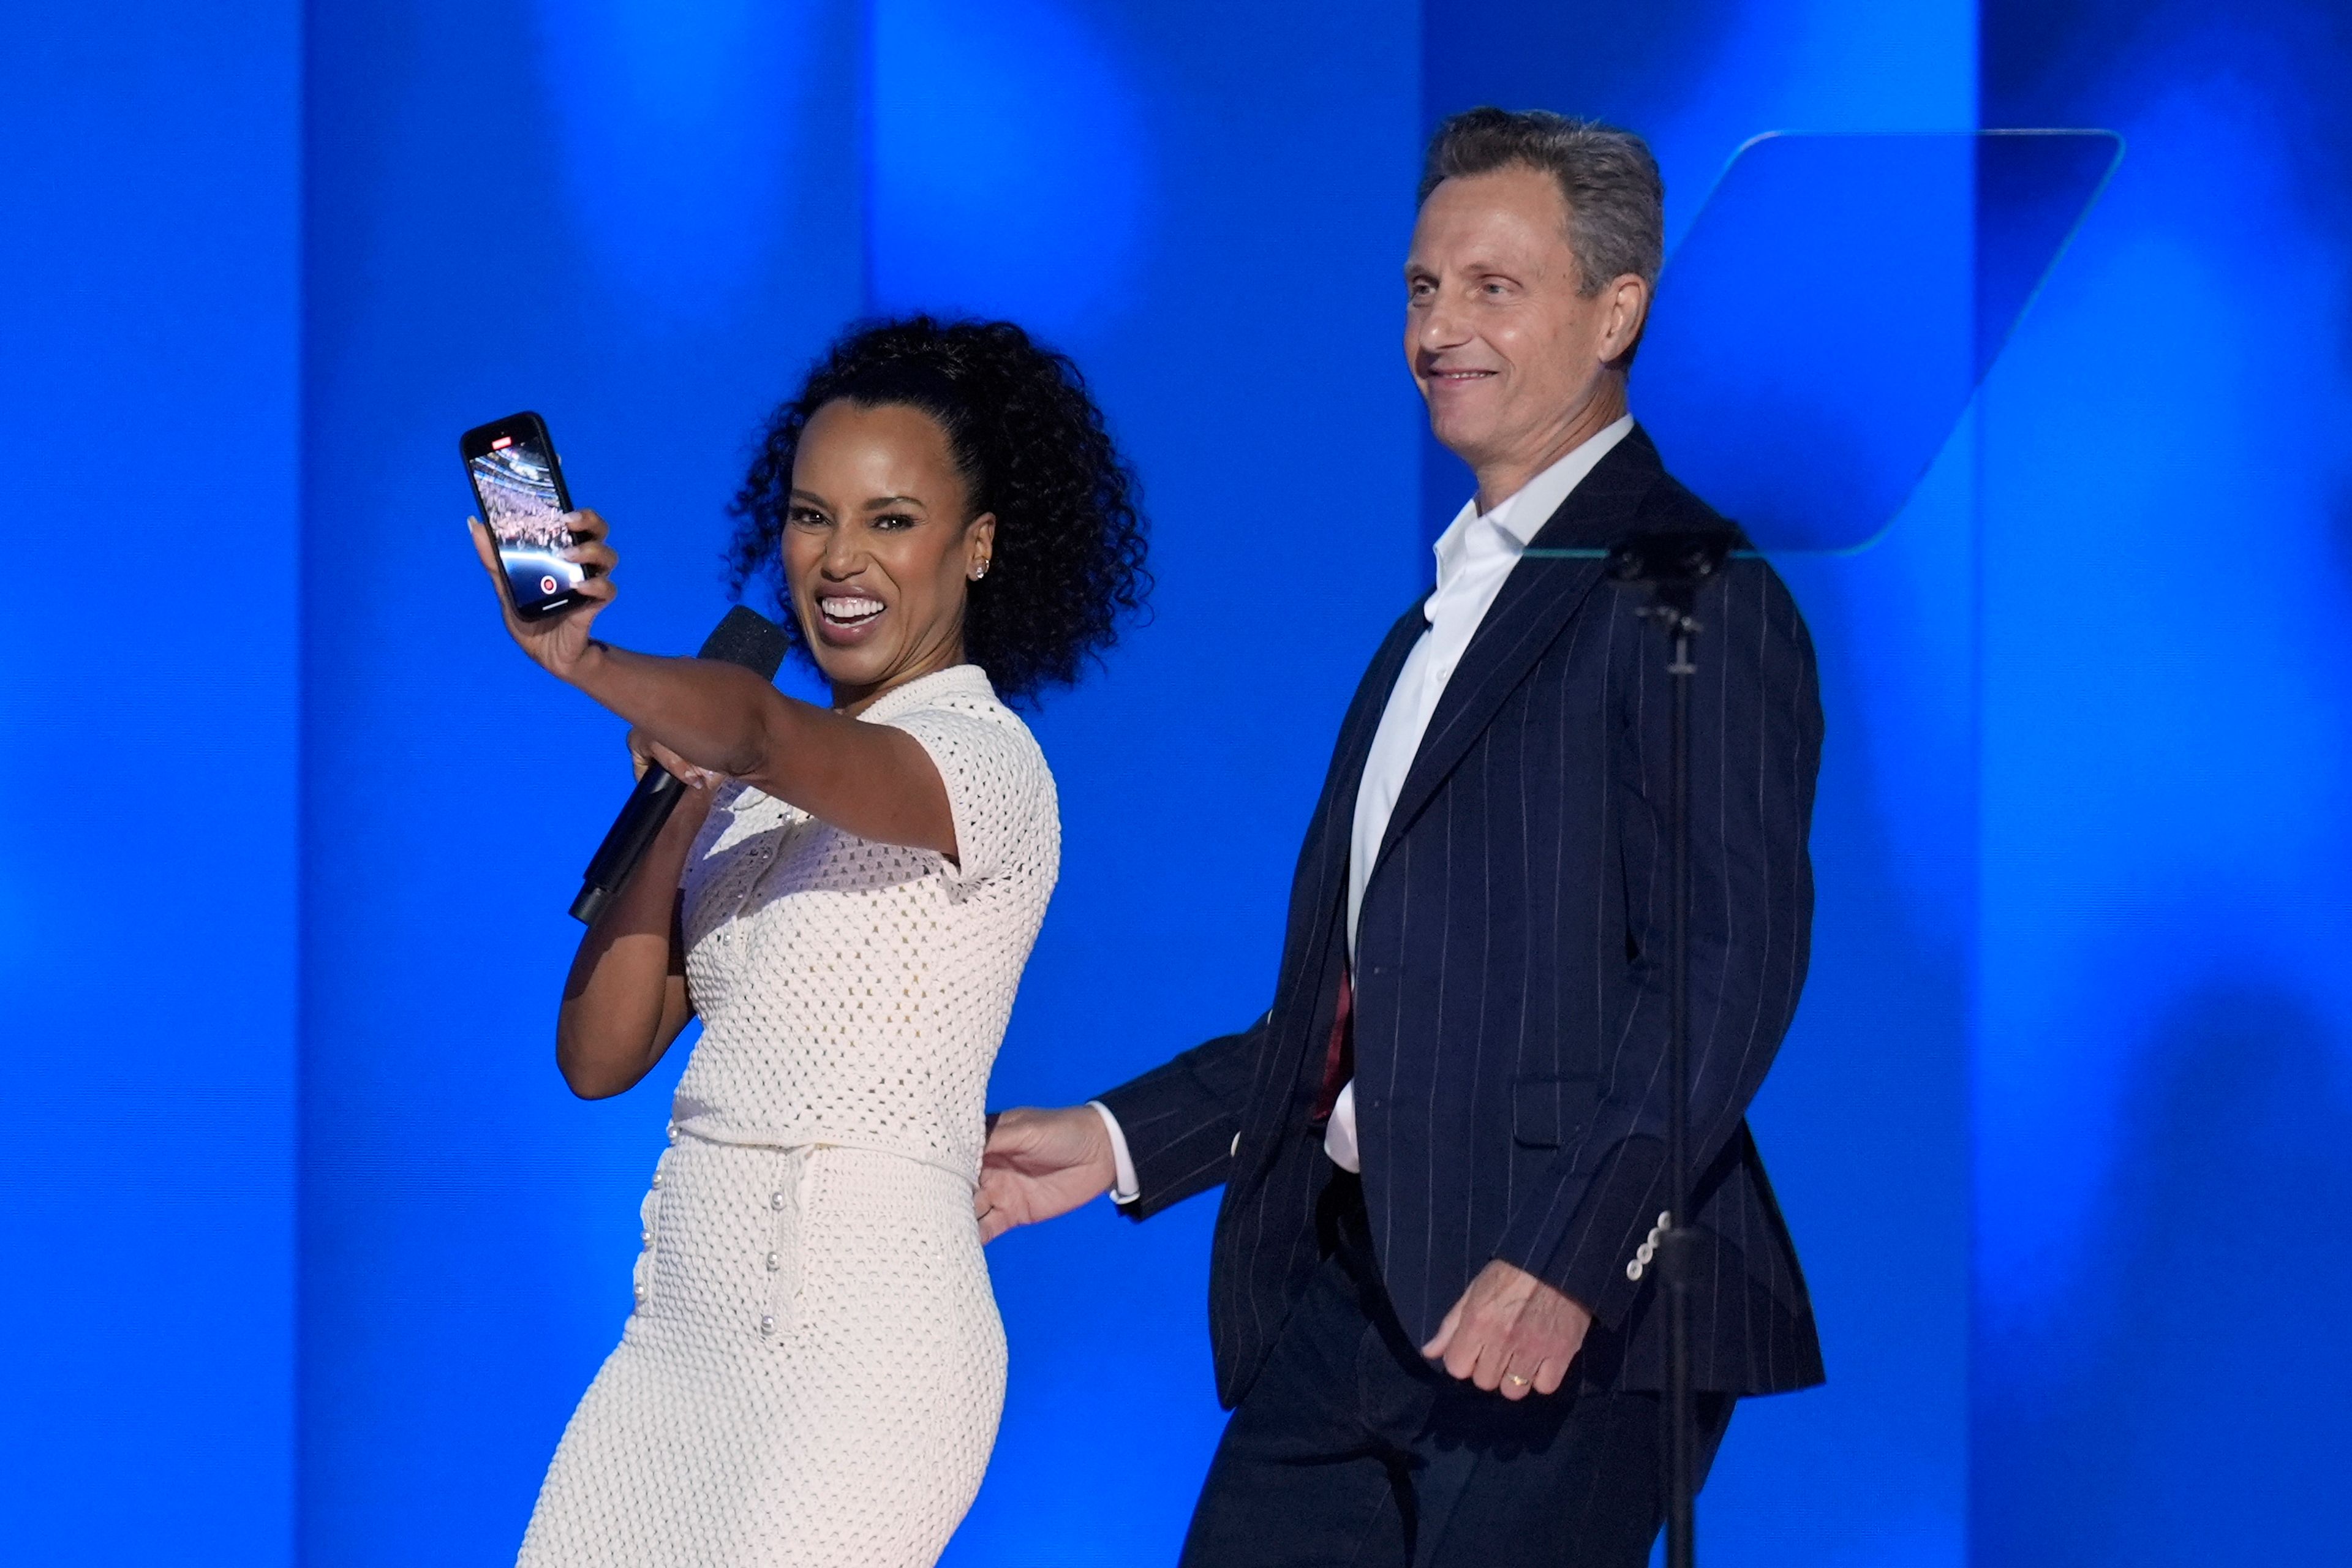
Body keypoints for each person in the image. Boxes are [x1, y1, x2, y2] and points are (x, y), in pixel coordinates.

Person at [977, 109, 1825, 1567]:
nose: (1441, 328)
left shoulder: (1692, 587)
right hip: (1356, 1286)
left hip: (1559, 1316)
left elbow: (1725, 970)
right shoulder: (1430, 625)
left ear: (1617, 309)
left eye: (1494, 287)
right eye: (1425, 288)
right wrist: (1123, 1138)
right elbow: (1381, 1013)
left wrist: (1565, 1260)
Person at [470, 316, 1148, 1567]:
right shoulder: (743, 776)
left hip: (862, 1358)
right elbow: (599, 1051)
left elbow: (768, 729)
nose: (841, 559)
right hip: (675, 1344)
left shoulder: (980, 761)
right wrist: (678, 797)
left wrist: (590, 659)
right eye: (812, 515)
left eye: (892, 519)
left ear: (980, 544)